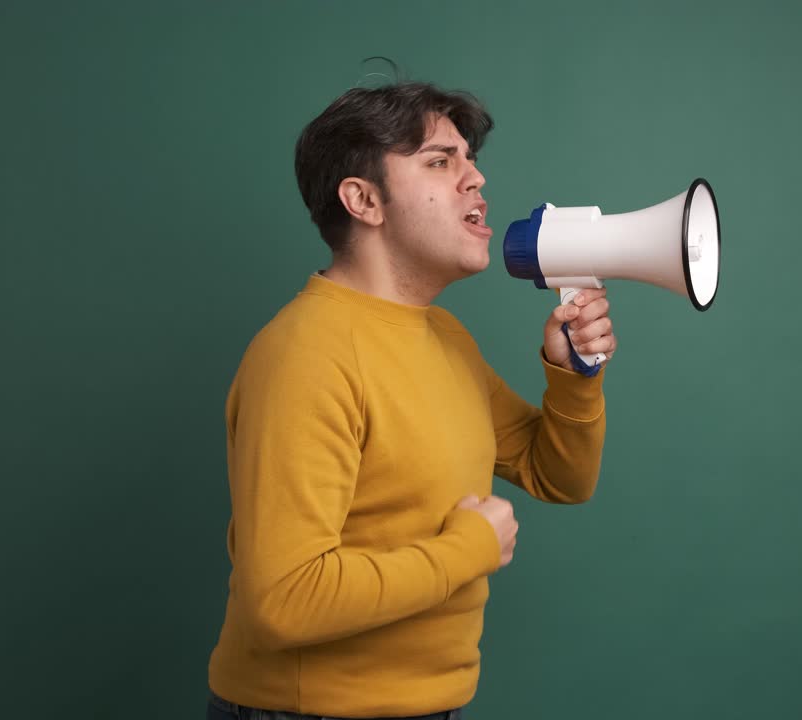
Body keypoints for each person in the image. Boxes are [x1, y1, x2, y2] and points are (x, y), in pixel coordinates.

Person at [206, 82, 616, 720]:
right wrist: (469, 549)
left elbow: (559, 475)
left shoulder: (445, 338)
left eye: (469, 159)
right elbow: (285, 600)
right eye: (440, 161)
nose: (475, 177)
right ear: (363, 199)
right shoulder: (305, 356)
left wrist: (574, 379)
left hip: (429, 706)